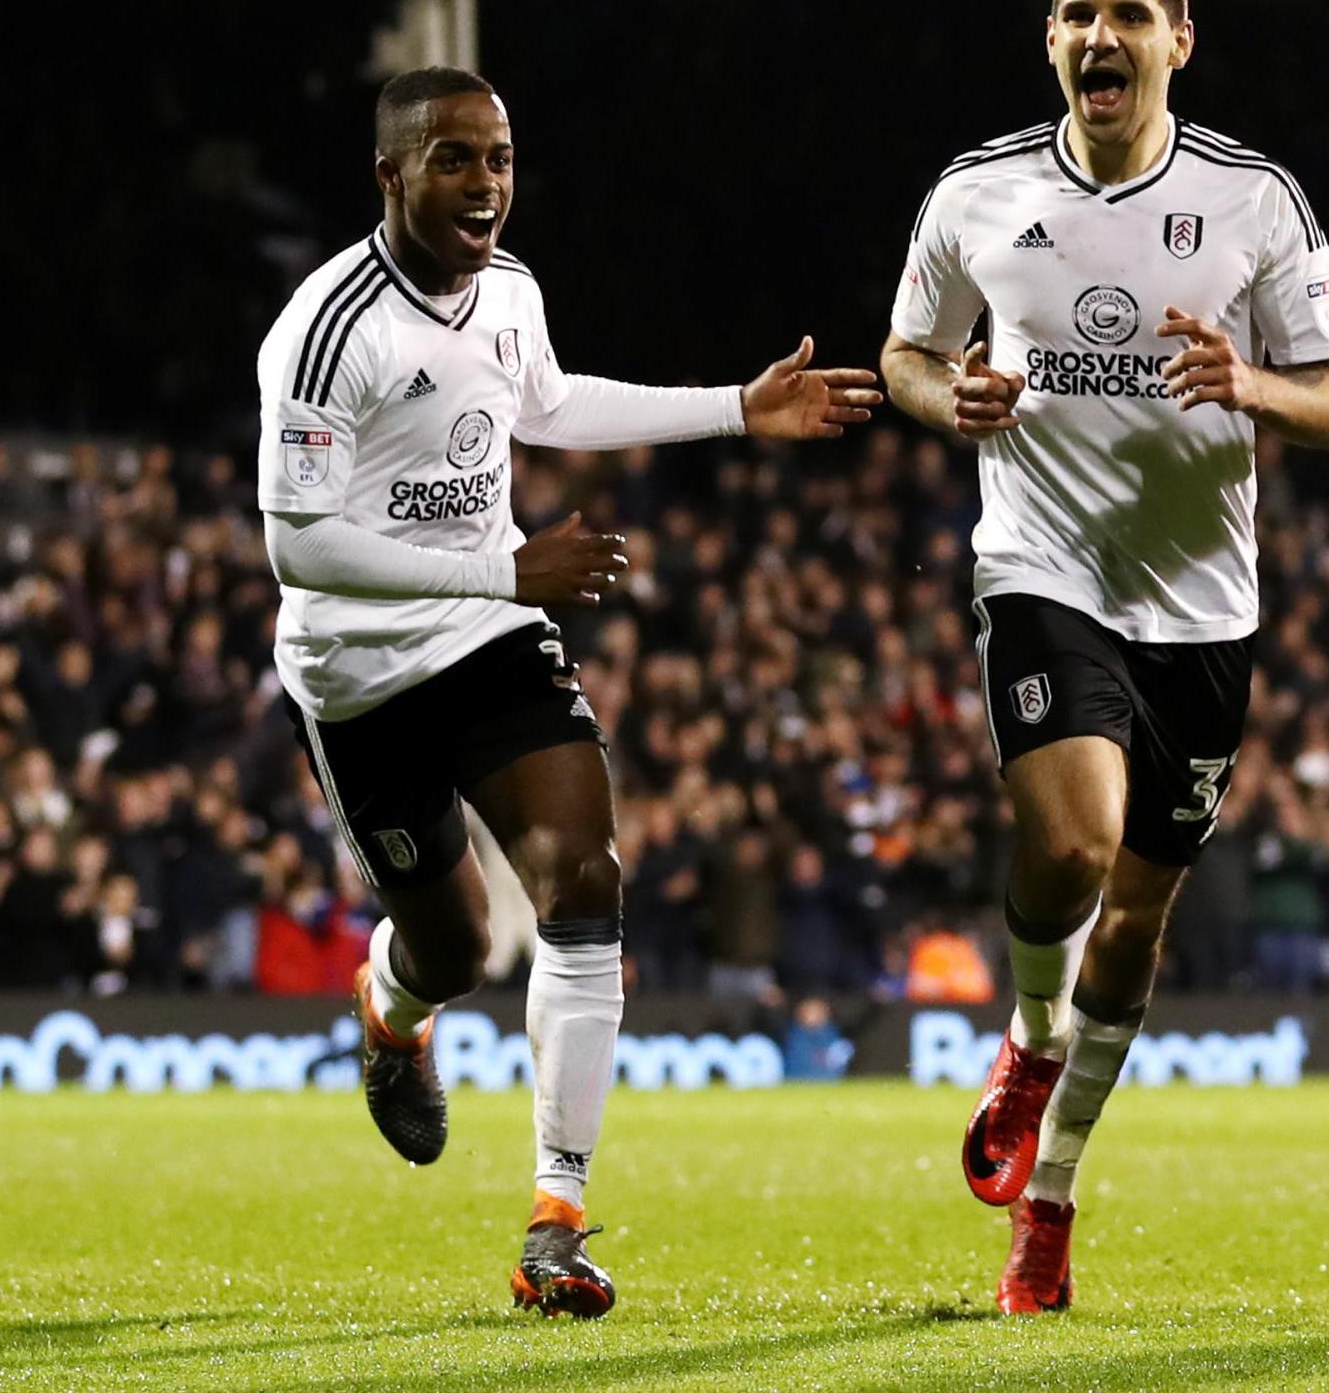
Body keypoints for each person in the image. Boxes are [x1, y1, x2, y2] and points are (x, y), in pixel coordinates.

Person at [256, 67, 879, 1317]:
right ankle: (392, 1006)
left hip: (489, 633)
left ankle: (557, 1219)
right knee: (451, 948)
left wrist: (733, 410)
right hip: (361, 674)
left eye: (498, 158)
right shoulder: (327, 328)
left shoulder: (513, 291)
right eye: (453, 159)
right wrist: (506, 565)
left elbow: (545, 401)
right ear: (389, 175)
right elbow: (298, 544)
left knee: (585, 882)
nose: (485, 182)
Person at [879, 0, 1329, 1315]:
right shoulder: (977, 191)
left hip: (1202, 604)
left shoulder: (1253, 199)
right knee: (1074, 842)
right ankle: (1032, 1036)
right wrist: (949, 395)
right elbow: (906, 352)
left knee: (1139, 917)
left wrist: (1251, 385)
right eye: (1079, 15)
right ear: (1051, 40)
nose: (1103, 36)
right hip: (1043, 564)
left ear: (1178, 43)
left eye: (1131, 17)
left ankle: (1050, 1198)